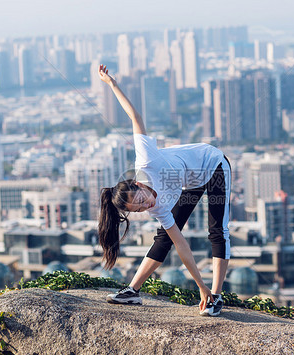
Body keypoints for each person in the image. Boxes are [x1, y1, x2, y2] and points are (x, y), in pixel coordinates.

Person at [97, 65, 231, 317]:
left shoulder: (146, 161)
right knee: (164, 237)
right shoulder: (155, 207)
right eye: (139, 209)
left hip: (212, 166)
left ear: (137, 184)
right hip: (191, 181)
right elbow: (181, 245)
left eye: (140, 199)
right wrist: (198, 286)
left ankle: (216, 297)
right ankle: (133, 291)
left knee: (217, 230)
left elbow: (135, 118)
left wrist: (112, 85)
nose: (145, 205)